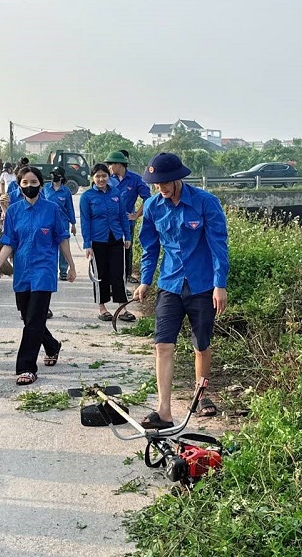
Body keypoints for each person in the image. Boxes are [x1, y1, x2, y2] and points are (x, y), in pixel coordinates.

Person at [134, 153, 229, 429]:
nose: (160, 188)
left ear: (177, 179)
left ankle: (202, 396)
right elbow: (150, 248)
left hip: (202, 286)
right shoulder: (152, 207)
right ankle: (164, 411)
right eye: (155, 184)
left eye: (164, 182)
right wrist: (145, 280)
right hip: (170, 284)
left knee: (201, 344)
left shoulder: (205, 202)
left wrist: (219, 284)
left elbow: (218, 245)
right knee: (162, 345)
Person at [0, 166, 76, 386]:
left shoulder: (52, 209)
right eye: (25, 183)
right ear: (19, 186)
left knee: (35, 319)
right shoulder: (15, 211)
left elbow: (62, 238)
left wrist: (72, 266)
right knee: (28, 318)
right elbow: (9, 242)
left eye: (33, 182)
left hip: (44, 271)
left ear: (41, 184)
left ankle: (26, 366)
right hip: (22, 271)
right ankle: (52, 345)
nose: (29, 186)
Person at [80, 163, 133, 322]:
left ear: (108, 177)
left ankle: (122, 307)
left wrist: (128, 236)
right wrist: (87, 245)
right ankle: (102, 308)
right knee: (100, 274)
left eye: (104, 176)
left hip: (116, 238)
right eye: (98, 176)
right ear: (92, 178)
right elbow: (85, 221)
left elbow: (123, 216)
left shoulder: (116, 193)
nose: (101, 179)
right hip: (97, 240)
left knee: (118, 273)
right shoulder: (87, 197)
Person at [105, 150, 151, 283]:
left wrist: (136, 215)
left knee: (126, 249)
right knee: (110, 250)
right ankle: (111, 279)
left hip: (126, 222)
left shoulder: (135, 179)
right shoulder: (108, 179)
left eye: (111, 164)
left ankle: (127, 275)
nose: (109, 167)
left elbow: (147, 198)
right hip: (109, 223)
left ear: (119, 164)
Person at [43, 165, 77, 280]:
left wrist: (73, 224)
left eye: (57, 175)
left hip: (63, 223)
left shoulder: (66, 191)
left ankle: (63, 271)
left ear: (62, 177)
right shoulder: (46, 188)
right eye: (53, 175)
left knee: (64, 248)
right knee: (49, 247)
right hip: (48, 222)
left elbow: (70, 208)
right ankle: (51, 270)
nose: (54, 177)